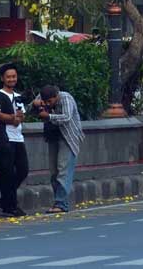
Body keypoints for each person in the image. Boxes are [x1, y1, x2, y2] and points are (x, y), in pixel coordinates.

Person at [33, 85, 84, 213]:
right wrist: (35, 104)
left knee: (63, 169)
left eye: (50, 101)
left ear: (56, 96)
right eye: (46, 102)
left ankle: (60, 203)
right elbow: (31, 108)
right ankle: (60, 202)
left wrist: (49, 116)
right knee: (54, 171)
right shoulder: (42, 97)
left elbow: (66, 117)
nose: (48, 104)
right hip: (53, 136)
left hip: (68, 137)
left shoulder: (66, 98)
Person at [0, 64, 28, 217]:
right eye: (9, 77)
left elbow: (22, 116)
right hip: (5, 139)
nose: (12, 79)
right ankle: (10, 205)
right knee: (7, 173)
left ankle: (6, 200)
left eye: (14, 76)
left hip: (18, 138)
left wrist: (16, 118)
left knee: (22, 170)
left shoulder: (18, 96)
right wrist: (14, 118)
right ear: (3, 79)